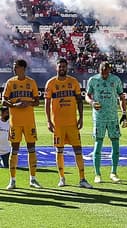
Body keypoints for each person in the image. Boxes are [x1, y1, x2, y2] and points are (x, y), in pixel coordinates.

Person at [45, 58, 91, 187]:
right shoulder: (51, 83)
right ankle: (62, 178)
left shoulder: (73, 82)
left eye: (64, 66)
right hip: (58, 124)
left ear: (67, 67)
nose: (62, 69)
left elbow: (79, 101)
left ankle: (82, 179)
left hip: (72, 124)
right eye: (60, 67)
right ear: (56, 68)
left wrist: (81, 118)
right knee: (59, 151)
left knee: (78, 150)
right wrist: (48, 121)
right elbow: (47, 104)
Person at [2, 58, 43, 189]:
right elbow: (4, 100)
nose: (14, 69)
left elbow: (37, 101)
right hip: (15, 122)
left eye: (16, 67)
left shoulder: (31, 82)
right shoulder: (10, 82)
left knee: (32, 149)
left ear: (23, 68)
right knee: (14, 150)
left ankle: (33, 179)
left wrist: (27, 103)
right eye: (14, 67)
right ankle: (12, 180)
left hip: (29, 122)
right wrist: (15, 105)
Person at [85, 59, 127, 183]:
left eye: (105, 72)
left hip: (113, 116)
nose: (103, 74)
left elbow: (121, 97)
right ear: (99, 70)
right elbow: (87, 95)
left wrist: (124, 113)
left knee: (116, 143)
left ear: (109, 70)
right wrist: (92, 102)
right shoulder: (93, 80)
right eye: (101, 72)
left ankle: (113, 172)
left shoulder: (115, 80)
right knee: (98, 144)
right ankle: (97, 174)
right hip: (99, 117)